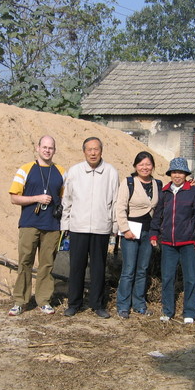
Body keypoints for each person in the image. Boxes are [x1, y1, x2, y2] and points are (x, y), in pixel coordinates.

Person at [61, 136, 119, 318]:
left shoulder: (110, 172)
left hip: (101, 228)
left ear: (101, 151)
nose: (93, 153)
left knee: (98, 267)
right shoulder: (75, 171)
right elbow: (67, 200)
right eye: (89, 149)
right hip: (78, 227)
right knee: (76, 267)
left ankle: (97, 304)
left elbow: (116, 201)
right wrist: (65, 224)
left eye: (96, 149)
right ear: (84, 152)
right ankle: (74, 303)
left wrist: (114, 226)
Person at [8, 135, 65, 316]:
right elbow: (14, 198)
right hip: (29, 223)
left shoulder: (62, 172)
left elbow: (65, 198)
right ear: (37, 147)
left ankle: (44, 300)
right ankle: (20, 301)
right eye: (45, 147)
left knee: (47, 264)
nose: (47, 150)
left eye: (51, 148)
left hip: (52, 225)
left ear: (54, 150)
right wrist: (37, 198)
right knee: (25, 262)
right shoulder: (25, 170)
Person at [150, 157, 195, 324]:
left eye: (180, 172)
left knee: (190, 278)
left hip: (189, 242)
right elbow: (158, 215)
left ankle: (189, 312)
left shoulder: (194, 191)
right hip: (168, 243)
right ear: (170, 174)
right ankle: (168, 311)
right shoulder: (165, 192)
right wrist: (154, 233)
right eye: (174, 172)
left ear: (185, 174)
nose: (177, 175)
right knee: (167, 277)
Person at [114, 151, 162, 319]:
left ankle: (139, 304)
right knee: (128, 269)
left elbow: (159, 208)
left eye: (148, 164)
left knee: (142, 269)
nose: (145, 167)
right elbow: (120, 207)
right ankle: (123, 305)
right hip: (131, 231)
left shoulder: (157, 184)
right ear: (135, 166)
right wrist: (125, 229)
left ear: (153, 166)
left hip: (148, 233)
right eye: (141, 164)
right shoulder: (128, 183)